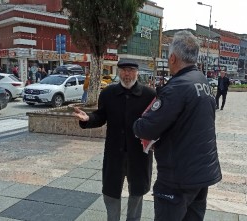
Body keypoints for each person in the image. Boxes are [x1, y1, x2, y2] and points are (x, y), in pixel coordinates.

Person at [133, 30, 222, 221]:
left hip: (178, 178)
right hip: (200, 175)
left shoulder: (177, 87)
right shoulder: (202, 81)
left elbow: (146, 127)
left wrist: (138, 122)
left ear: (172, 58)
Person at [73, 59, 156, 221]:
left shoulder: (149, 95)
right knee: (111, 193)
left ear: (137, 72)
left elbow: (156, 122)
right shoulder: (108, 94)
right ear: (118, 72)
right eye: (124, 70)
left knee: (137, 193)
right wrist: (87, 118)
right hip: (114, 153)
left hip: (139, 154)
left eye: (131, 69)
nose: (127, 74)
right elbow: (100, 116)